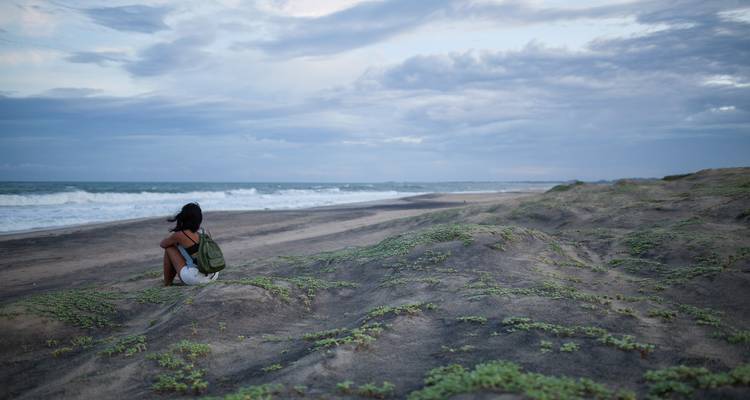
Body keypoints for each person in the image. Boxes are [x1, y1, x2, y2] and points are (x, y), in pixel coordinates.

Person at [160, 202, 219, 286]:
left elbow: (162, 244)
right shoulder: (205, 231)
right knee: (190, 251)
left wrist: (174, 237)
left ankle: (167, 283)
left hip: (196, 279)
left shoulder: (180, 234)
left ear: (183, 217)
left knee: (169, 248)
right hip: (213, 274)